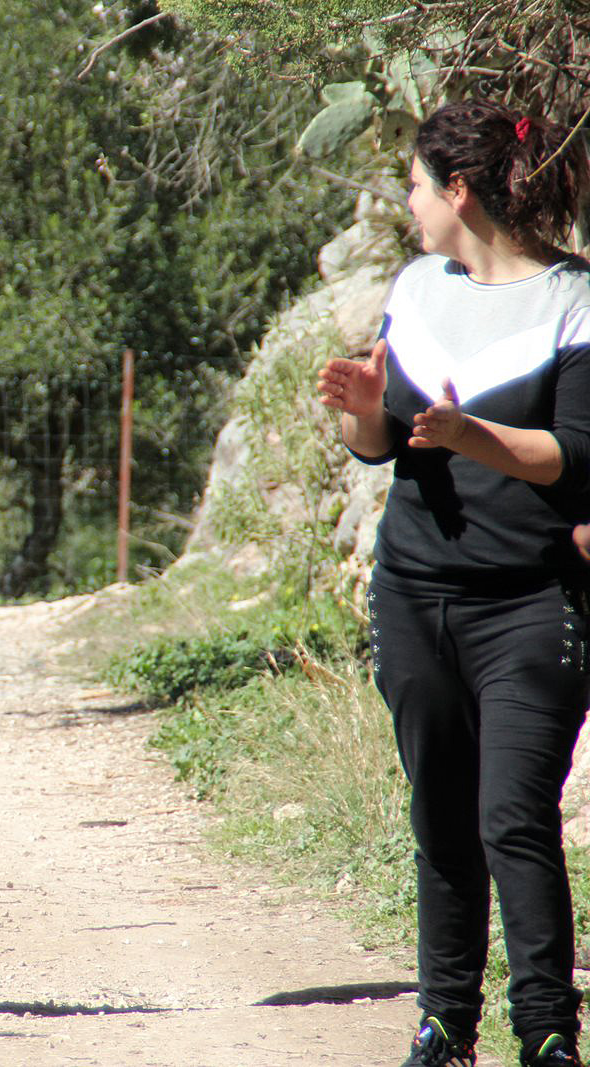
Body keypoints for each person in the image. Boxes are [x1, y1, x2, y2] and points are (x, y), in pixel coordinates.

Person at [318, 99, 590, 1067]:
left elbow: (574, 456)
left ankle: (546, 1033)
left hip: (531, 602)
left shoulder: (573, 300)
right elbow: (382, 443)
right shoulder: (417, 288)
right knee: (439, 812)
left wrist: (473, 436)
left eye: (416, 185)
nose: (408, 202)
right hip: (413, 593)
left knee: (511, 814)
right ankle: (444, 1025)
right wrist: (364, 412)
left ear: (460, 190)